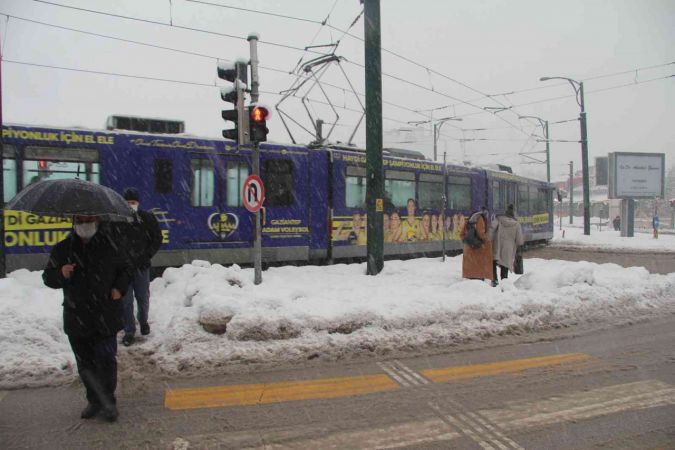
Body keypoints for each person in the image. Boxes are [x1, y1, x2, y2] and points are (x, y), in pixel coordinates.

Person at [43, 215, 132, 422]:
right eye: (81, 221)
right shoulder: (63, 249)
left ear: (97, 221)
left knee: (106, 360)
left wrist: (120, 288)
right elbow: (48, 278)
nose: (85, 225)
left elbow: (126, 270)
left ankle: (108, 402)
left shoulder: (111, 245)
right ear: (74, 223)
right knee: (86, 364)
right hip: (77, 316)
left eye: (89, 220)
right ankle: (94, 400)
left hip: (105, 314)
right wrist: (61, 273)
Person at [109, 188, 162, 347]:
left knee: (143, 297)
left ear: (138, 203)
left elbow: (157, 238)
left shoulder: (147, 218)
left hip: (141, 266)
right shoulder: (117, 220)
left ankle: (143, 321)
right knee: (126, 301)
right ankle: (129, 331)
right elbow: (112, 241)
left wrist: (147, 255)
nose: (131, 205)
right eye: (128, 202)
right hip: (124, 268)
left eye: (133, 202)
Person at [490, 204, 524, 286]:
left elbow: (490, 230)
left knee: (493, 262)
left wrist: (489, 240)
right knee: (504, 265)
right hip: (508, 249)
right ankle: (504, 282)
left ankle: (494, 279)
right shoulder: (517, 225)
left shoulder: (498, 219)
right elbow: (519, 241)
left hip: (497, 245)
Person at [460, 207, 493, 281]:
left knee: (472, 276)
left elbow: (462, 234)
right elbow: (481, 233)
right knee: (478, 275)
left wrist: (469, 241)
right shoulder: (480, 218)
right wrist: (487, 240)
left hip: (469, 251)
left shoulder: (471, 218)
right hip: (477, 251)